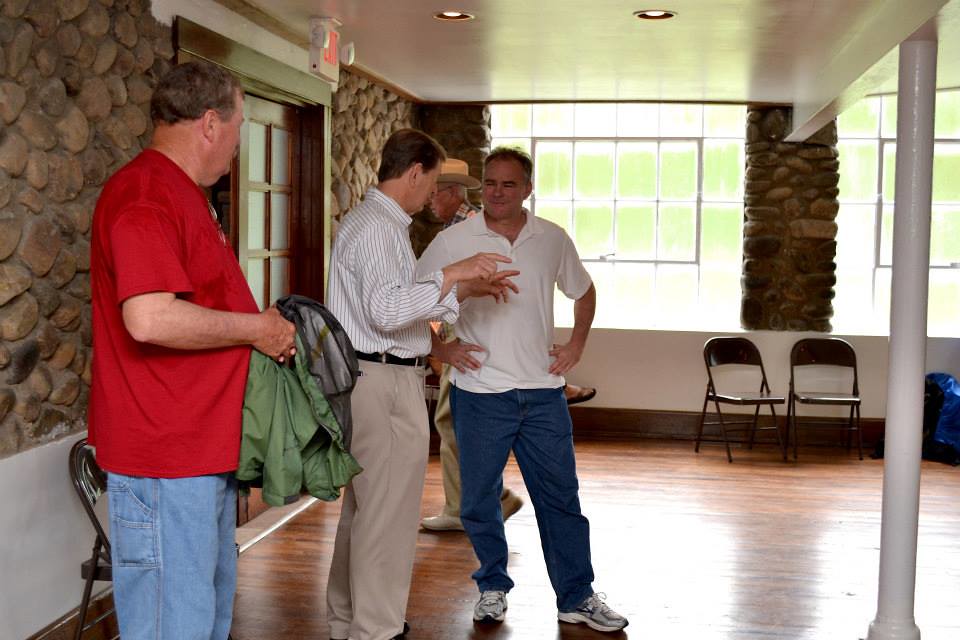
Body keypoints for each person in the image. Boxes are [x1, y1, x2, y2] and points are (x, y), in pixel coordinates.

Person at [89, 60, 297, 640]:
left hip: (195, 453)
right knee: (172, 627)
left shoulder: (183, 194)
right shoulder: (146, 194)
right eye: (239, 125)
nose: (238, 142)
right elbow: (149, 317)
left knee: (202, 623)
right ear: (211, 123)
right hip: (165, 456)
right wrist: (255, 330)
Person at [416, 147, 629, 633]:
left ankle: (576, 596)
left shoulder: (551, 238)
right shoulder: (455, 240)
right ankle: (492, 586)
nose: (496, 192)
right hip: (479, 392)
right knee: (476, 500)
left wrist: (576, 343)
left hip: (542, 394)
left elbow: (585, 290)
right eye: (490, 183)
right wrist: (440, 351)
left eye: (508, 184)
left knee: (561, 499)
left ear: (527, 189)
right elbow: (409, 292)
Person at [325, 129, 517, 640]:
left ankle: (350, 623)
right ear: (414, 173)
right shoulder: (377, 230)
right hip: (382, 380)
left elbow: (398, 302)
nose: (431, 194)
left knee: (364, 512)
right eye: (431, 182)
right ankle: (377, 630)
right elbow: (387, 312)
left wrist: (458, 289)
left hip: (372, 376)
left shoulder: (375, 224)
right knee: (385, 519)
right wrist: (453, 273)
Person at [421, 158, 523, 532]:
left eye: (435, 193)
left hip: (466, 337)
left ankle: (466, 507)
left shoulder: (463, 230)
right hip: (469, 335)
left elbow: (456, 291)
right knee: (458, 422)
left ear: (451, 194)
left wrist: (440, 339)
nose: (429, 200)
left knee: (453, 421)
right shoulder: (463, 228)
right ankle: (486, 499)